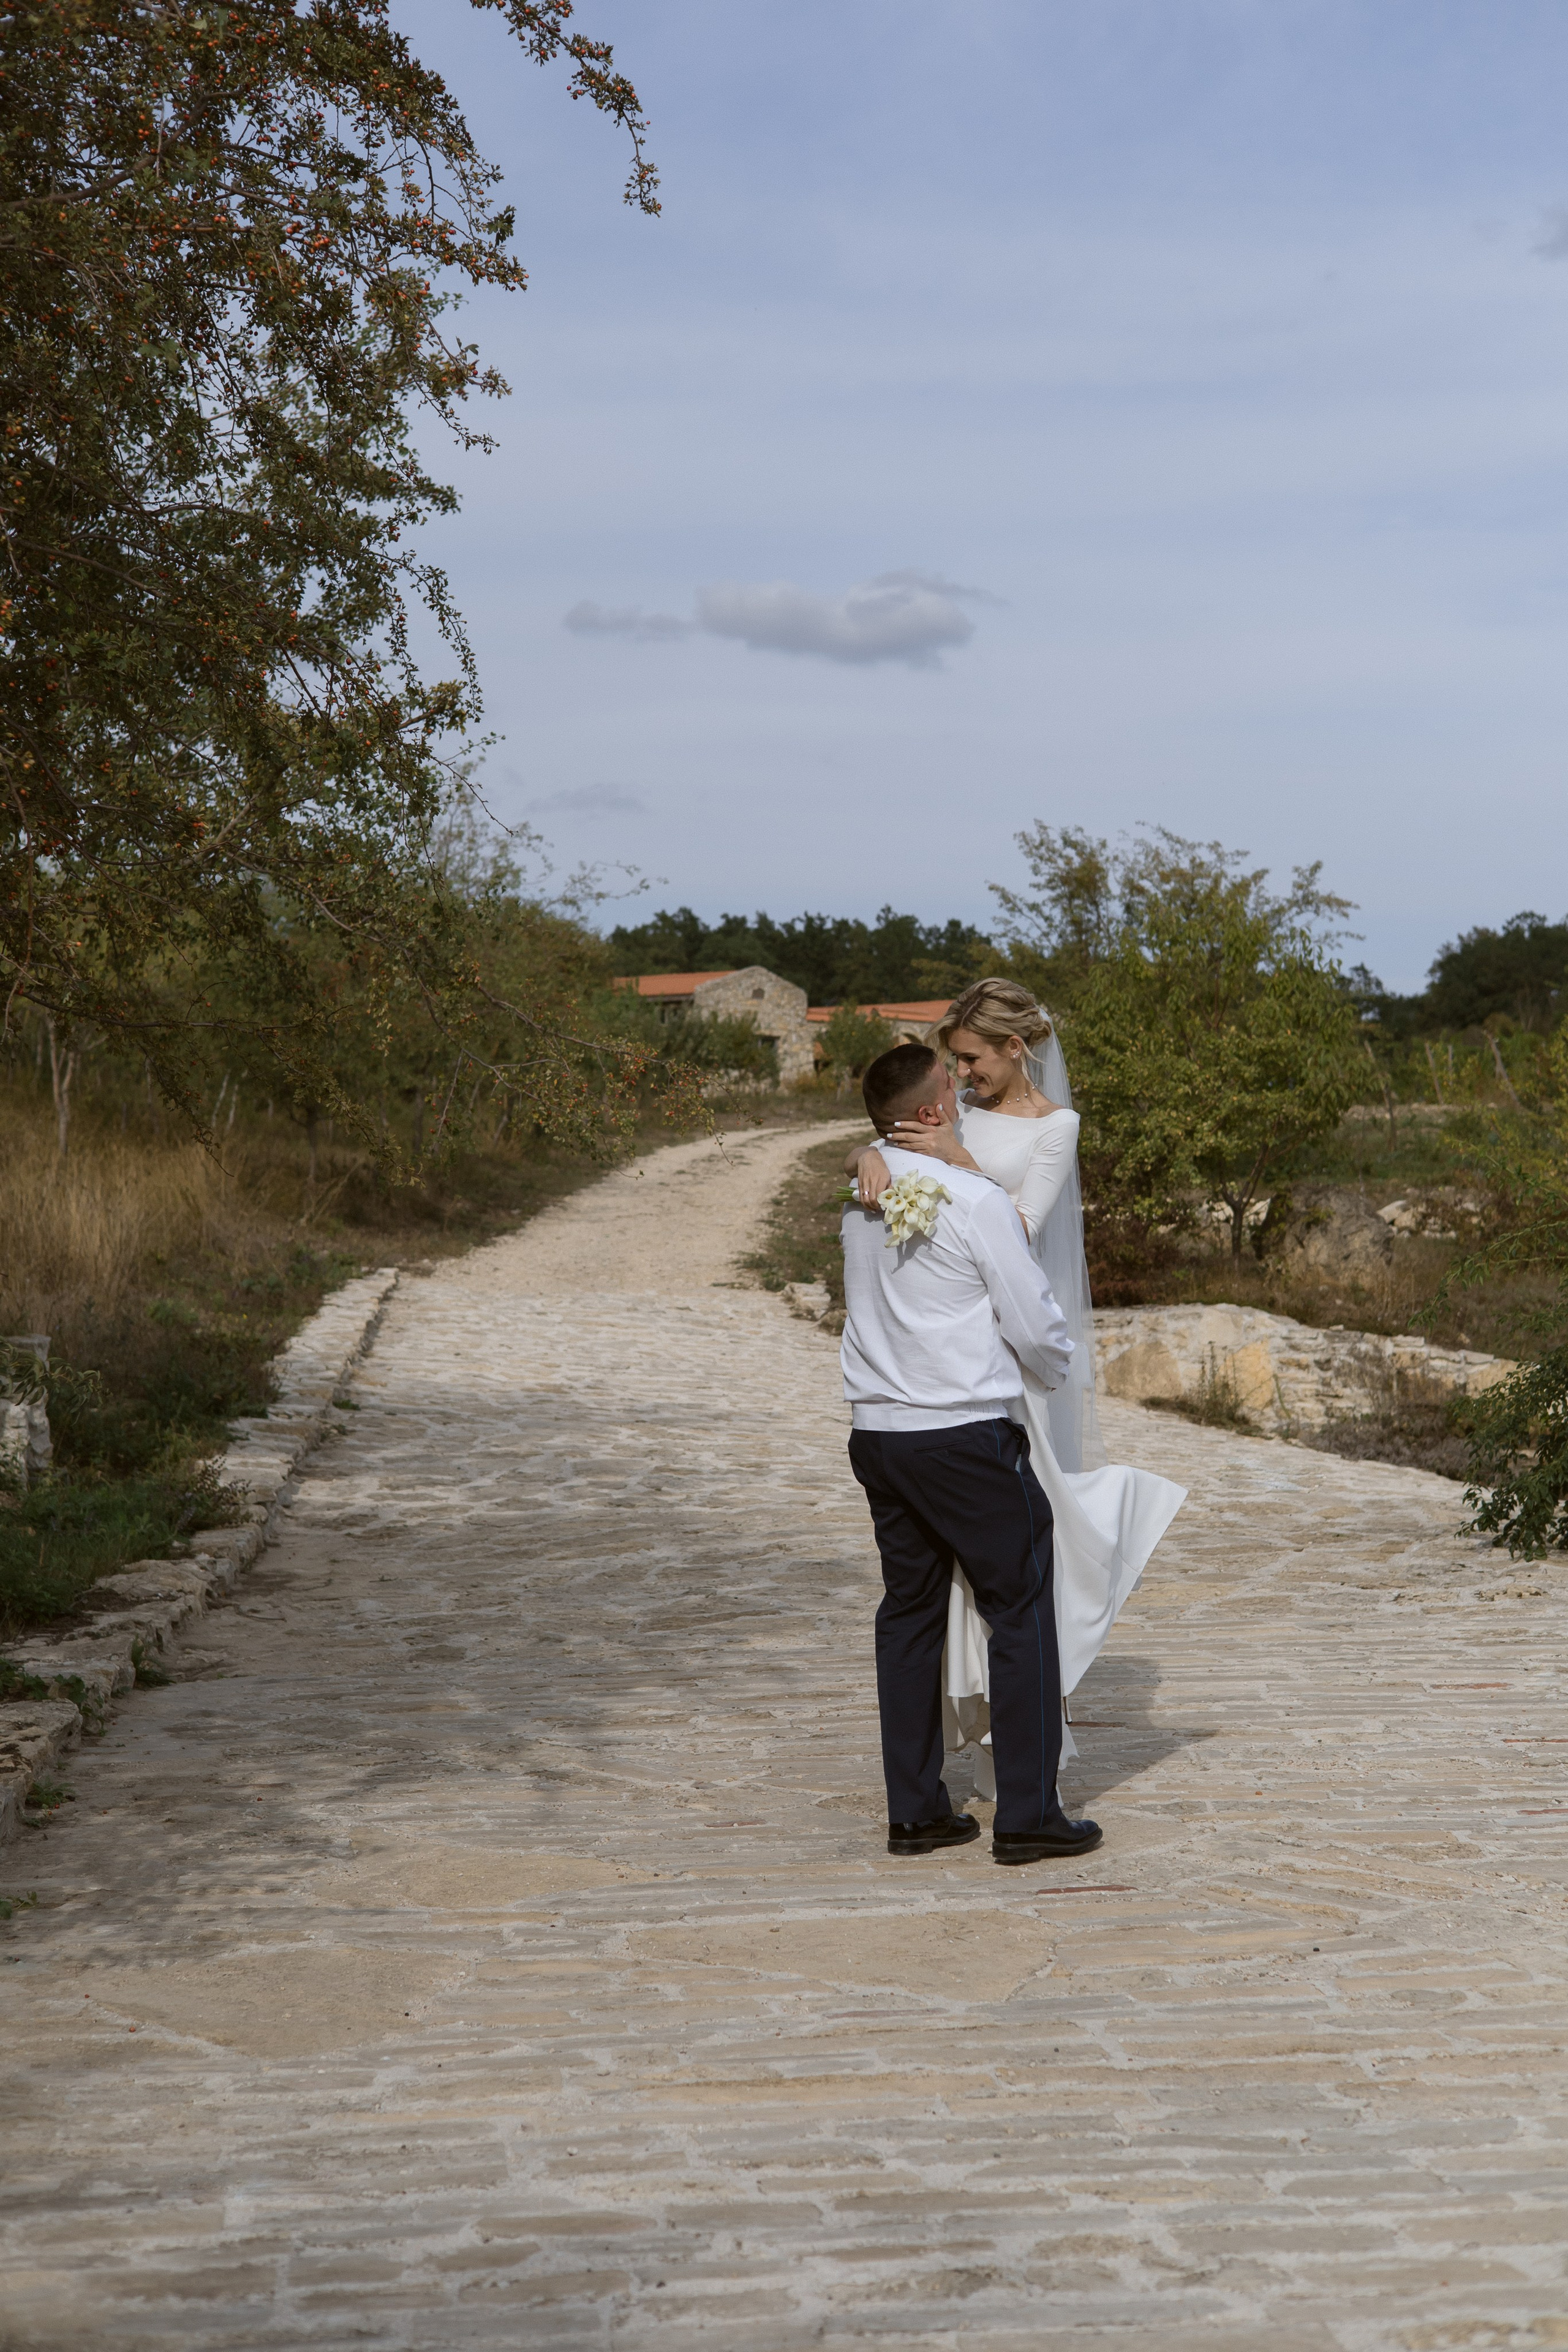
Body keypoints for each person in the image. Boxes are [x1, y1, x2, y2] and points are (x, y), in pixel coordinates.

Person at [845, 979, 1185, 1800]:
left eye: (972, 1059)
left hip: (999, 1362)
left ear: (1015, 1048)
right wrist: (868, 1155)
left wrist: (957, 1163)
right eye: (954, 1064)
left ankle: (1004, 1766)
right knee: (974, 1584)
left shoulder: (1053, 1127)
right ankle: (1002, 1788)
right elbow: (893, 1132)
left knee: (1015, 1571)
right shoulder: (944, 1115)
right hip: (959, 1368)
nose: (963, 1076)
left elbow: (1020, 1231)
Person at [842, 1038, 1104, 1866]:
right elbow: (1032, 1319)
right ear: (928, 1112)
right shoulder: (972, 1198)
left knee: (908, 1615)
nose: (960, 1097)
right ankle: (1028, 1816)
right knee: (1019, 1610)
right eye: (948, 1090)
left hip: (880, 1435)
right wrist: (1052, 1374)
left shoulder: (858, 1197)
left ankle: (917, 1813)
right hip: (963, 1436)